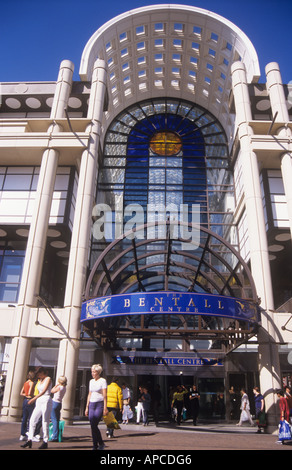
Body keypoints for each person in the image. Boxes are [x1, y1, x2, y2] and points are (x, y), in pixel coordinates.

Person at [21, 367, 53, 449]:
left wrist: (33, 399)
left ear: (43, 372)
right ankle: (29, 439)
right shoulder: (40, 380)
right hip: (39, 400)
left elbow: (43, 391)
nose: (38, 375)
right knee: (32, 419)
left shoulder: (48, 379)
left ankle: (45, 441)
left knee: (45, 421)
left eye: (39, 373)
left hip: (46, 399)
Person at [85, 364, 108, 450]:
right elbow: (89, 394)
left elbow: (105, 395)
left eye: (94, 372)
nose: (93, 373)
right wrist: (87, 406)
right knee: (92, 424)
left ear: (98, 372)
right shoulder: (91, 381)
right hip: (91, 404)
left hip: (99, 404)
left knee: (94, 423)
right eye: (92, 372)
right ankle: (97, 444)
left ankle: (99, 444)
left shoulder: (103, 381)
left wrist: (105, 407)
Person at [50, 376, 67, 442]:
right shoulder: (64, 388)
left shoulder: (59, 387)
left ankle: (54, 436)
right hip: (59, 403)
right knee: (57, 420)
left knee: (54, 420)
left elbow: (52, 391)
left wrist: (55, 386)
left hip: (54, 402)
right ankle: (56, 435)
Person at [19, 370, 35, 441]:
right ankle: (29, 432)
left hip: (25, 400)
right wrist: (34, 395)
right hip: (30, 400)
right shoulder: (31, 383)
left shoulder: (26, 382)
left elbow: (21, 393)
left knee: (24, 418)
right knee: (30, 418)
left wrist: (25, 394)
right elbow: (29, 393)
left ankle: (22, 434)